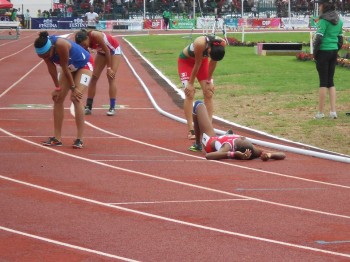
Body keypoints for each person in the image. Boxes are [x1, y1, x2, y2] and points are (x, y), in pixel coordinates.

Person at [34, 31, 94, 149]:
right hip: (70, 68)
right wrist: (57, 88)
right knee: (58, 98)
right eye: (42, 57)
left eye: (46, 56)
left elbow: (65, 69)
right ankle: (57, 138)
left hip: (84, 65)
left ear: (51, 48)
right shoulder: (45, 51)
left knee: (76, 97)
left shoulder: (61, 45)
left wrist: (74, 89)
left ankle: (79, 139)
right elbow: (51, 68)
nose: (46, 58)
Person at [189, 100, 286, 161]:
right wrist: (269, 155)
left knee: (198, 104)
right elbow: (282, 154)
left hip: (210, 141)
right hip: (221, 139)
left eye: (241, 139)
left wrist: (233, 154)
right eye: (244, 138)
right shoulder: (252, 149)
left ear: (235, 146)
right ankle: (227, 134)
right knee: (230, 132)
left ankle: (198, 144)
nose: (242, 137)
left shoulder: (228, 146)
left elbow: (208, 156)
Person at [178, 35, 226, 140]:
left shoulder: (222, 44)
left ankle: (208, 129)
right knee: (189, 93)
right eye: (209, 54)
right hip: (186, 62)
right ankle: (191, 129)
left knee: (208, 92)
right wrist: (190, 84)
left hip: (202, 64)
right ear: (209, 49)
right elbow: (197, 64)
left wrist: (209, 80)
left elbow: (213, 63)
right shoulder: (200, 43)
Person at [75, 28, 121, 116]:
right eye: (82, 46)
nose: (84, 46)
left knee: (111, 76)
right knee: (94, 77)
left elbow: (108, 51)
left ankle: (112, 107)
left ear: (87, 38)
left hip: (113, 51)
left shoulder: (96, 35)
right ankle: (88, 107)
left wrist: (109, 68)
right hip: (101, 52)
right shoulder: (82, 41)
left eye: (84, 44)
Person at [313, 0, 343, 119]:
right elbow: (340, 39)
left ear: (324, 6)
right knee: (331, 82)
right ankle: (333, 111)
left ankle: (320, 113)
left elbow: (318, 39)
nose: (319, 7)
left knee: (323, 82)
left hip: (323, 52)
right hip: (333, 51)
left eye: (320, 5)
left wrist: (315, 53)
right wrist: (335, 49)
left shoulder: (323, 21)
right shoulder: (339, 21)